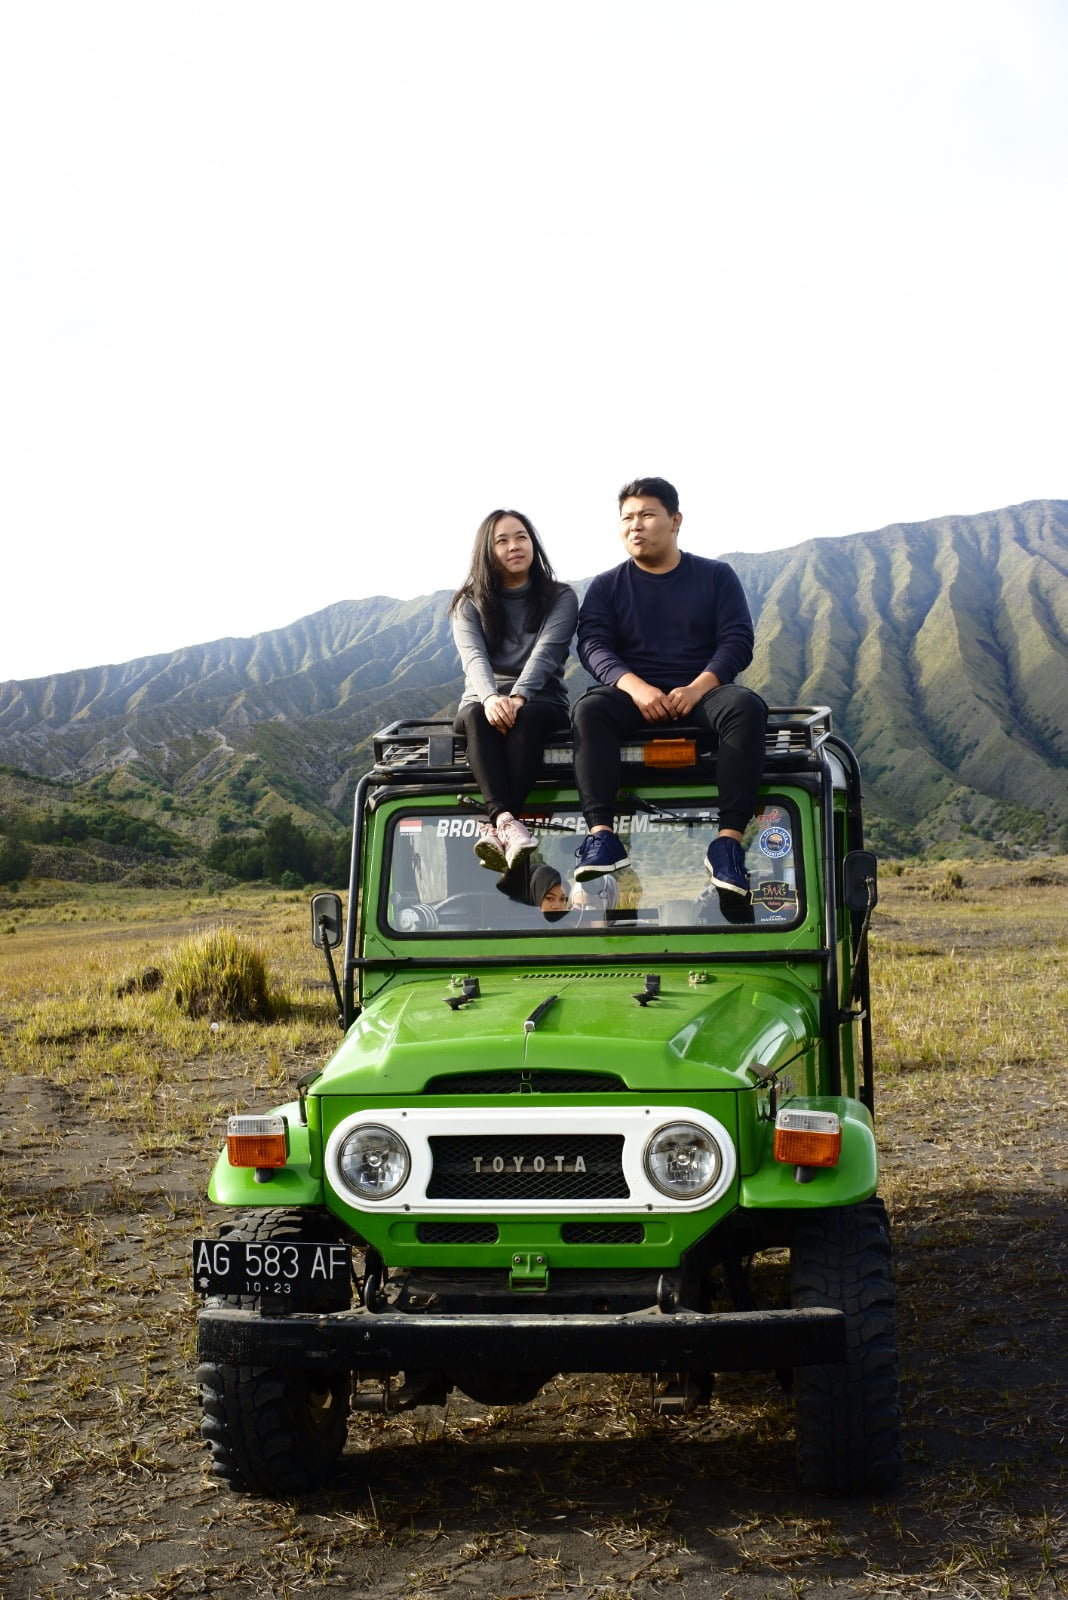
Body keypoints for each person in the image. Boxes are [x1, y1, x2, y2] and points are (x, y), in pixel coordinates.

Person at [571, 476, 767, 895]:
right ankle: (602, 835)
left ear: (675, 520)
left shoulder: (716, 576)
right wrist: (636, 688)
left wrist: (697, 688)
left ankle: (727, 843)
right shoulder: (606, 587)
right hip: (631, 698)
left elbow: (737, 640)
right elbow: (592, 645)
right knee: (589, 711)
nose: (634, 526)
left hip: (700, 695)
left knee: (746, 707)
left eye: (646, 515)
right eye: (626, 518)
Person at [450, 509, 578, 871]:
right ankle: (509, 823)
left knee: (530, 716)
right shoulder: (467, 602)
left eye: (521, 537)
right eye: (501, 541)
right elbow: (473, 657)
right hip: (481, 700)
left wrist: (519, 696)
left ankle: (496, 825)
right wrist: (491, 698)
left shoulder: (561, 597)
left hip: (541, 699)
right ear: (487, 552)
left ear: (533, 542)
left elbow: (547, 652)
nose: (514, 546)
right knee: (475, 715)